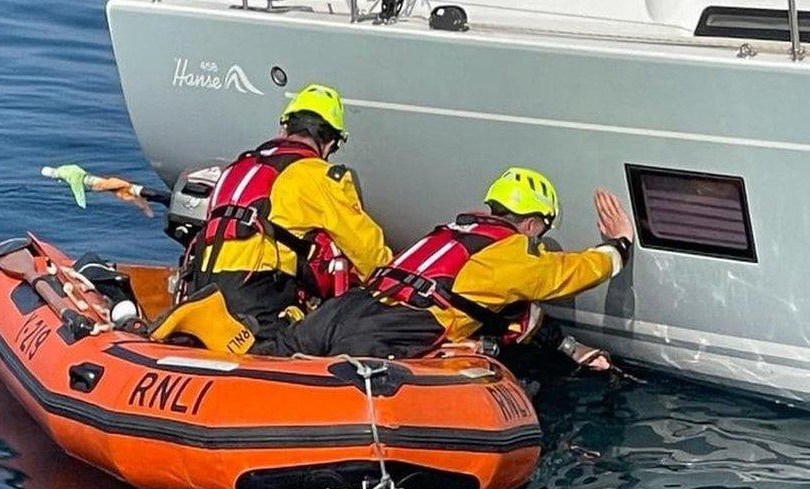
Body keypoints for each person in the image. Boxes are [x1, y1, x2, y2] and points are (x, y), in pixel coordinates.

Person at [57, 84, 392, 349]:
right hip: (258, 301)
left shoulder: (239, 167)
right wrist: (393, 293)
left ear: (284, 126)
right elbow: (368, 251)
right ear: (331, 141)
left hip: (203, 286)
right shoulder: (324, 178)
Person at [257, 167, 634, 370]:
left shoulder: (448, 234)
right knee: (354, 383)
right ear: (533, 223)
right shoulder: (511, 251)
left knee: (270, 361)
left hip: (348, 308)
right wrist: (618, 246)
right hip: (396, 328)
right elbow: (567, 273)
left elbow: (519, 314)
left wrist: (569, 347)